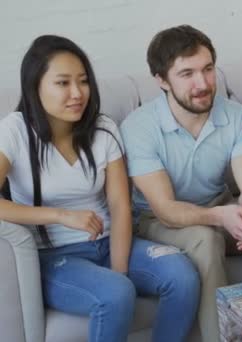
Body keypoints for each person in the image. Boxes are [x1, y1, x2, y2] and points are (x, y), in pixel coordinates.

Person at [0, 35, 199, 342]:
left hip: (109, 244)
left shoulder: (103, 128)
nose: (77, 93)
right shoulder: (14, 130)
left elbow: (120, 206)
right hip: (55, 257)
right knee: (116, 294)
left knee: (183, 276)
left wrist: (119, 272)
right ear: (34, 86)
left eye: (83, 81)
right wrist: (62, 215)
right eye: (63, 83)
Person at [119, 25, 242, 342]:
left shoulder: (234, 115)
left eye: (208, 70)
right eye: (187, 74)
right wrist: (221, 216)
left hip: (218, 205)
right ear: (161, 80)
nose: (203, 83)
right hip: (157, 220)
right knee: (205, 241)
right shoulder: (139, 127)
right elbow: (165, 209)